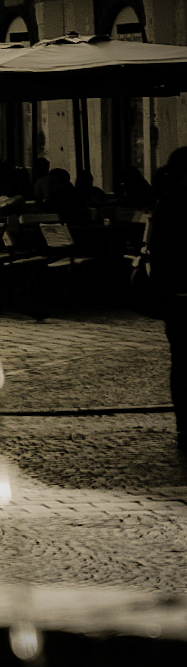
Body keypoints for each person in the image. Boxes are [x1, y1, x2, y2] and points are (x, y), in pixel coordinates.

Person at [149, 147, 187, 455]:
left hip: (176, 295)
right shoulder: (173, 204)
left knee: (181, 361)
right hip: (180, 293)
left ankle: (184, 423)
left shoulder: (166, 204)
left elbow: (157, 252)